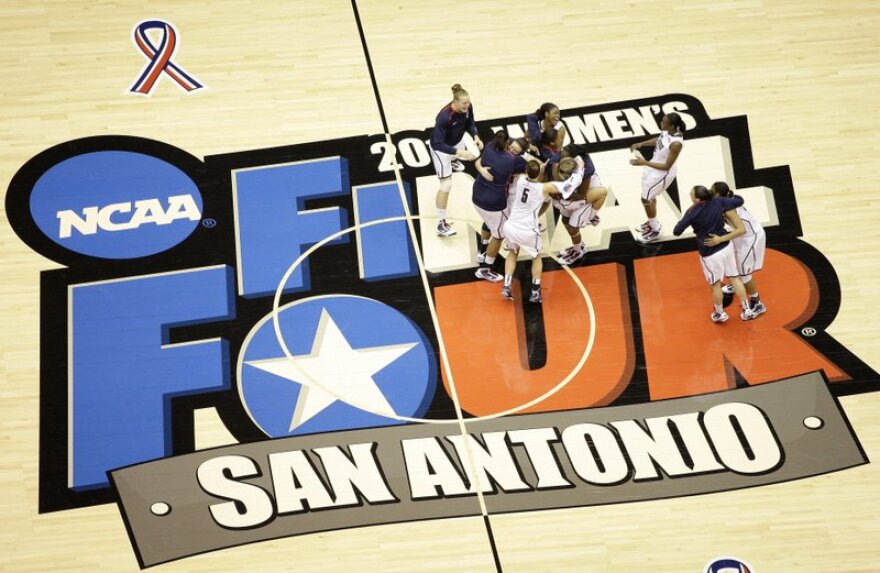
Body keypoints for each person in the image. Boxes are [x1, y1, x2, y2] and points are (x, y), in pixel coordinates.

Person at [673, 185, 759, 323]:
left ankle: (720, 313)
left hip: (709, 251)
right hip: (726, 245)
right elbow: (740, 200)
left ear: (697, 199)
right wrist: (730, 196)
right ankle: (747, 309)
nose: (689, 194)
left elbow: (677, 231)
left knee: (716, 285)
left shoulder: (692, 212)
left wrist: (686, 219)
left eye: (691, 194)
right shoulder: (719, 201)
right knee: (735, 278)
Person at [500, 160, 565, 303]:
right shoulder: (544, 188)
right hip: (528, 229)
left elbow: (530, 173)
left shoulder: (521, 180)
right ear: (539, 173)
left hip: (511, 226)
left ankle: (506, 286)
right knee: (536, 257)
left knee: (512, 253)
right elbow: (560, 188)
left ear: (526, 171)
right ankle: (535, 291)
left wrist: (537, 169)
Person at [429, 83, 484, 237]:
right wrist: (459, 152)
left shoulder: (467, 108)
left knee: (463, 153)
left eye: (468, 102)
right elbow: (438, 143)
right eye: (464, 103)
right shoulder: (444, 117)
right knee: (446, 185)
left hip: (455, 142)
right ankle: (440, 224)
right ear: (456, 102)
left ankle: (454, 159)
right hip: (441, 150)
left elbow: (470, 123)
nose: (467, 105)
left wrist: (476, 136)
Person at [472, 130, 527, 281]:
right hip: (494, 203)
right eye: (512, 148)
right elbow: (534, 168)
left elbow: (477, 160)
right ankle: (485, 269)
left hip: (477, 196)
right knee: (499, 235)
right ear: (508, 144)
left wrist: (480, 169)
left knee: (490, 223)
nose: (512, 151)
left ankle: (482, 251)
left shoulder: (489, 147)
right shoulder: (514, 161)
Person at [710, 181, 768, 316]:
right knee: (734, 263)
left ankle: (757, 303)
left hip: (750, 236)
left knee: (744, 272)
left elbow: (741, 230)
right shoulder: (728, 200)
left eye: (712, 190)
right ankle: (737, 284)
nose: (710, 191)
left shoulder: (729, 208)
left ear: (718, 194)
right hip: (741, 234)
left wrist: (721, 239)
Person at [630, 112, 686, 243]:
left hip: (662, 173)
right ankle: (652, 222)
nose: (661, 123)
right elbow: (659, 140)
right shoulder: (668, 132)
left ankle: (656, 230)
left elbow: (667, 166)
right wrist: (642, 144)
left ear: (671, 126)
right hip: (653, 167)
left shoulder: (676, 143)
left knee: (645, 199)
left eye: (663, 122)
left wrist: (644, 162)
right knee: (649, 197)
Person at [547, 144, 608, 265]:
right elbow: (554, 177)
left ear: (574, 159)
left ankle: (578, 251)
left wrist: (561, 194)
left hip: (587, 195)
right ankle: (579, 245)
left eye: (565, 155)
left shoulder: (586, 170)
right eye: (562, 153)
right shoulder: (559, 157)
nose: (561, 156)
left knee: (573, 226)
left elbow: (581, 195)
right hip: (573, 192)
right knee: (565, 219)